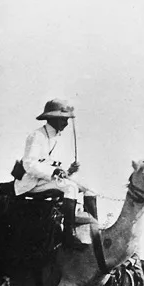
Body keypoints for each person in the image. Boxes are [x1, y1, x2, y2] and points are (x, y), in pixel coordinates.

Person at [14, 99, 95, 249]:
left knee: (89, 188)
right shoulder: (37, 136)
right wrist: (54, 171)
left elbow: (56, 167)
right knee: (70, 188)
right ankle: (68, 235)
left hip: (47, 180)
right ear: (52, 119)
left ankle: (94, 230)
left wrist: (69, 171)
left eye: (67, 120)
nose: (66, 123)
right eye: (63, 120)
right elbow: (29, 164)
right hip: (32, 182)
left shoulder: (57, 138)